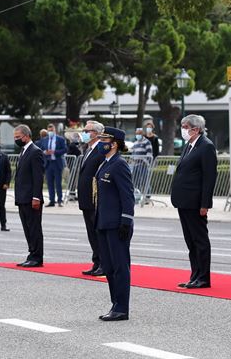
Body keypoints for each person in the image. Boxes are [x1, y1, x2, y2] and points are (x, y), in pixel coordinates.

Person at [170, 114, 217, 289]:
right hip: (184, 201)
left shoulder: (206, 147)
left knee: (200, 240)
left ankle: (203, 277)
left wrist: (205, 204)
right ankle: (195, 275)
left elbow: (209, 177)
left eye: (185, 126)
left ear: (195, 129)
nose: (182, 130)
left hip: (196, 202)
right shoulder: (190, 145)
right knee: (190, 241)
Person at [93, 127, 135, 321]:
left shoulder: (119, 164)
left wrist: (126, 220)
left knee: (120, 267)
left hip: (117, 224)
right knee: (109, 267)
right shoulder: (105, 164)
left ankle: (122, 307)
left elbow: (127, 196)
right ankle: (115, 304)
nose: (101, 142)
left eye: (104, 139)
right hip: (103, 222)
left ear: (114, 143)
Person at [13, 124, 45, 268]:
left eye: (18, 137)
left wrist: (36, 197)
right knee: (27, 228)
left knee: (34, 228)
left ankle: (37, 257)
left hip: (31, 198)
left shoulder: (35, 151)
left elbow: (38, 177)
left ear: (26, 136)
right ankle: (31, 254)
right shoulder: (24, 151)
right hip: (22, 197)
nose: (16, 139)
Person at [77, 120, 106, 276]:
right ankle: (96, 261)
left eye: (87, 130)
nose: (84, 133)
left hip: (96, 199)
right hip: (86, 199)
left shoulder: (101, 150)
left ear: (96, 133)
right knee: (91, 232)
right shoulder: (88, 149)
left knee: (98, 232)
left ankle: (104, 263)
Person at [39, 123, 67, 207]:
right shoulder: (44, 140)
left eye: (52, 130)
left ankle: (59, 200)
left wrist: (54, 152)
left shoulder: (60, 139)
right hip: (48, 163)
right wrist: (45, 152)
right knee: (50, 183)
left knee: (58, 183)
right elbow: (41, 149)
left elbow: (65, 149)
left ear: (55, 130)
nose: (50, 132)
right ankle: (52, 200)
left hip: (57, 163)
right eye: (49, 131)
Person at [130, 128, 153, 196]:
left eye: (139, 134)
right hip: (135, 165)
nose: (137, 135)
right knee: (134, 181)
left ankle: (147, 196)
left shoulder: (147, 142)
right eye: (136, 134)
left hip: (143, 165)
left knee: (145, 181)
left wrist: (144, 161)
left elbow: (149, 154)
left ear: (142, 134)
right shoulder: (135, 143)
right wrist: (131, 161)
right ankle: (137, 195)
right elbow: (133, 153)